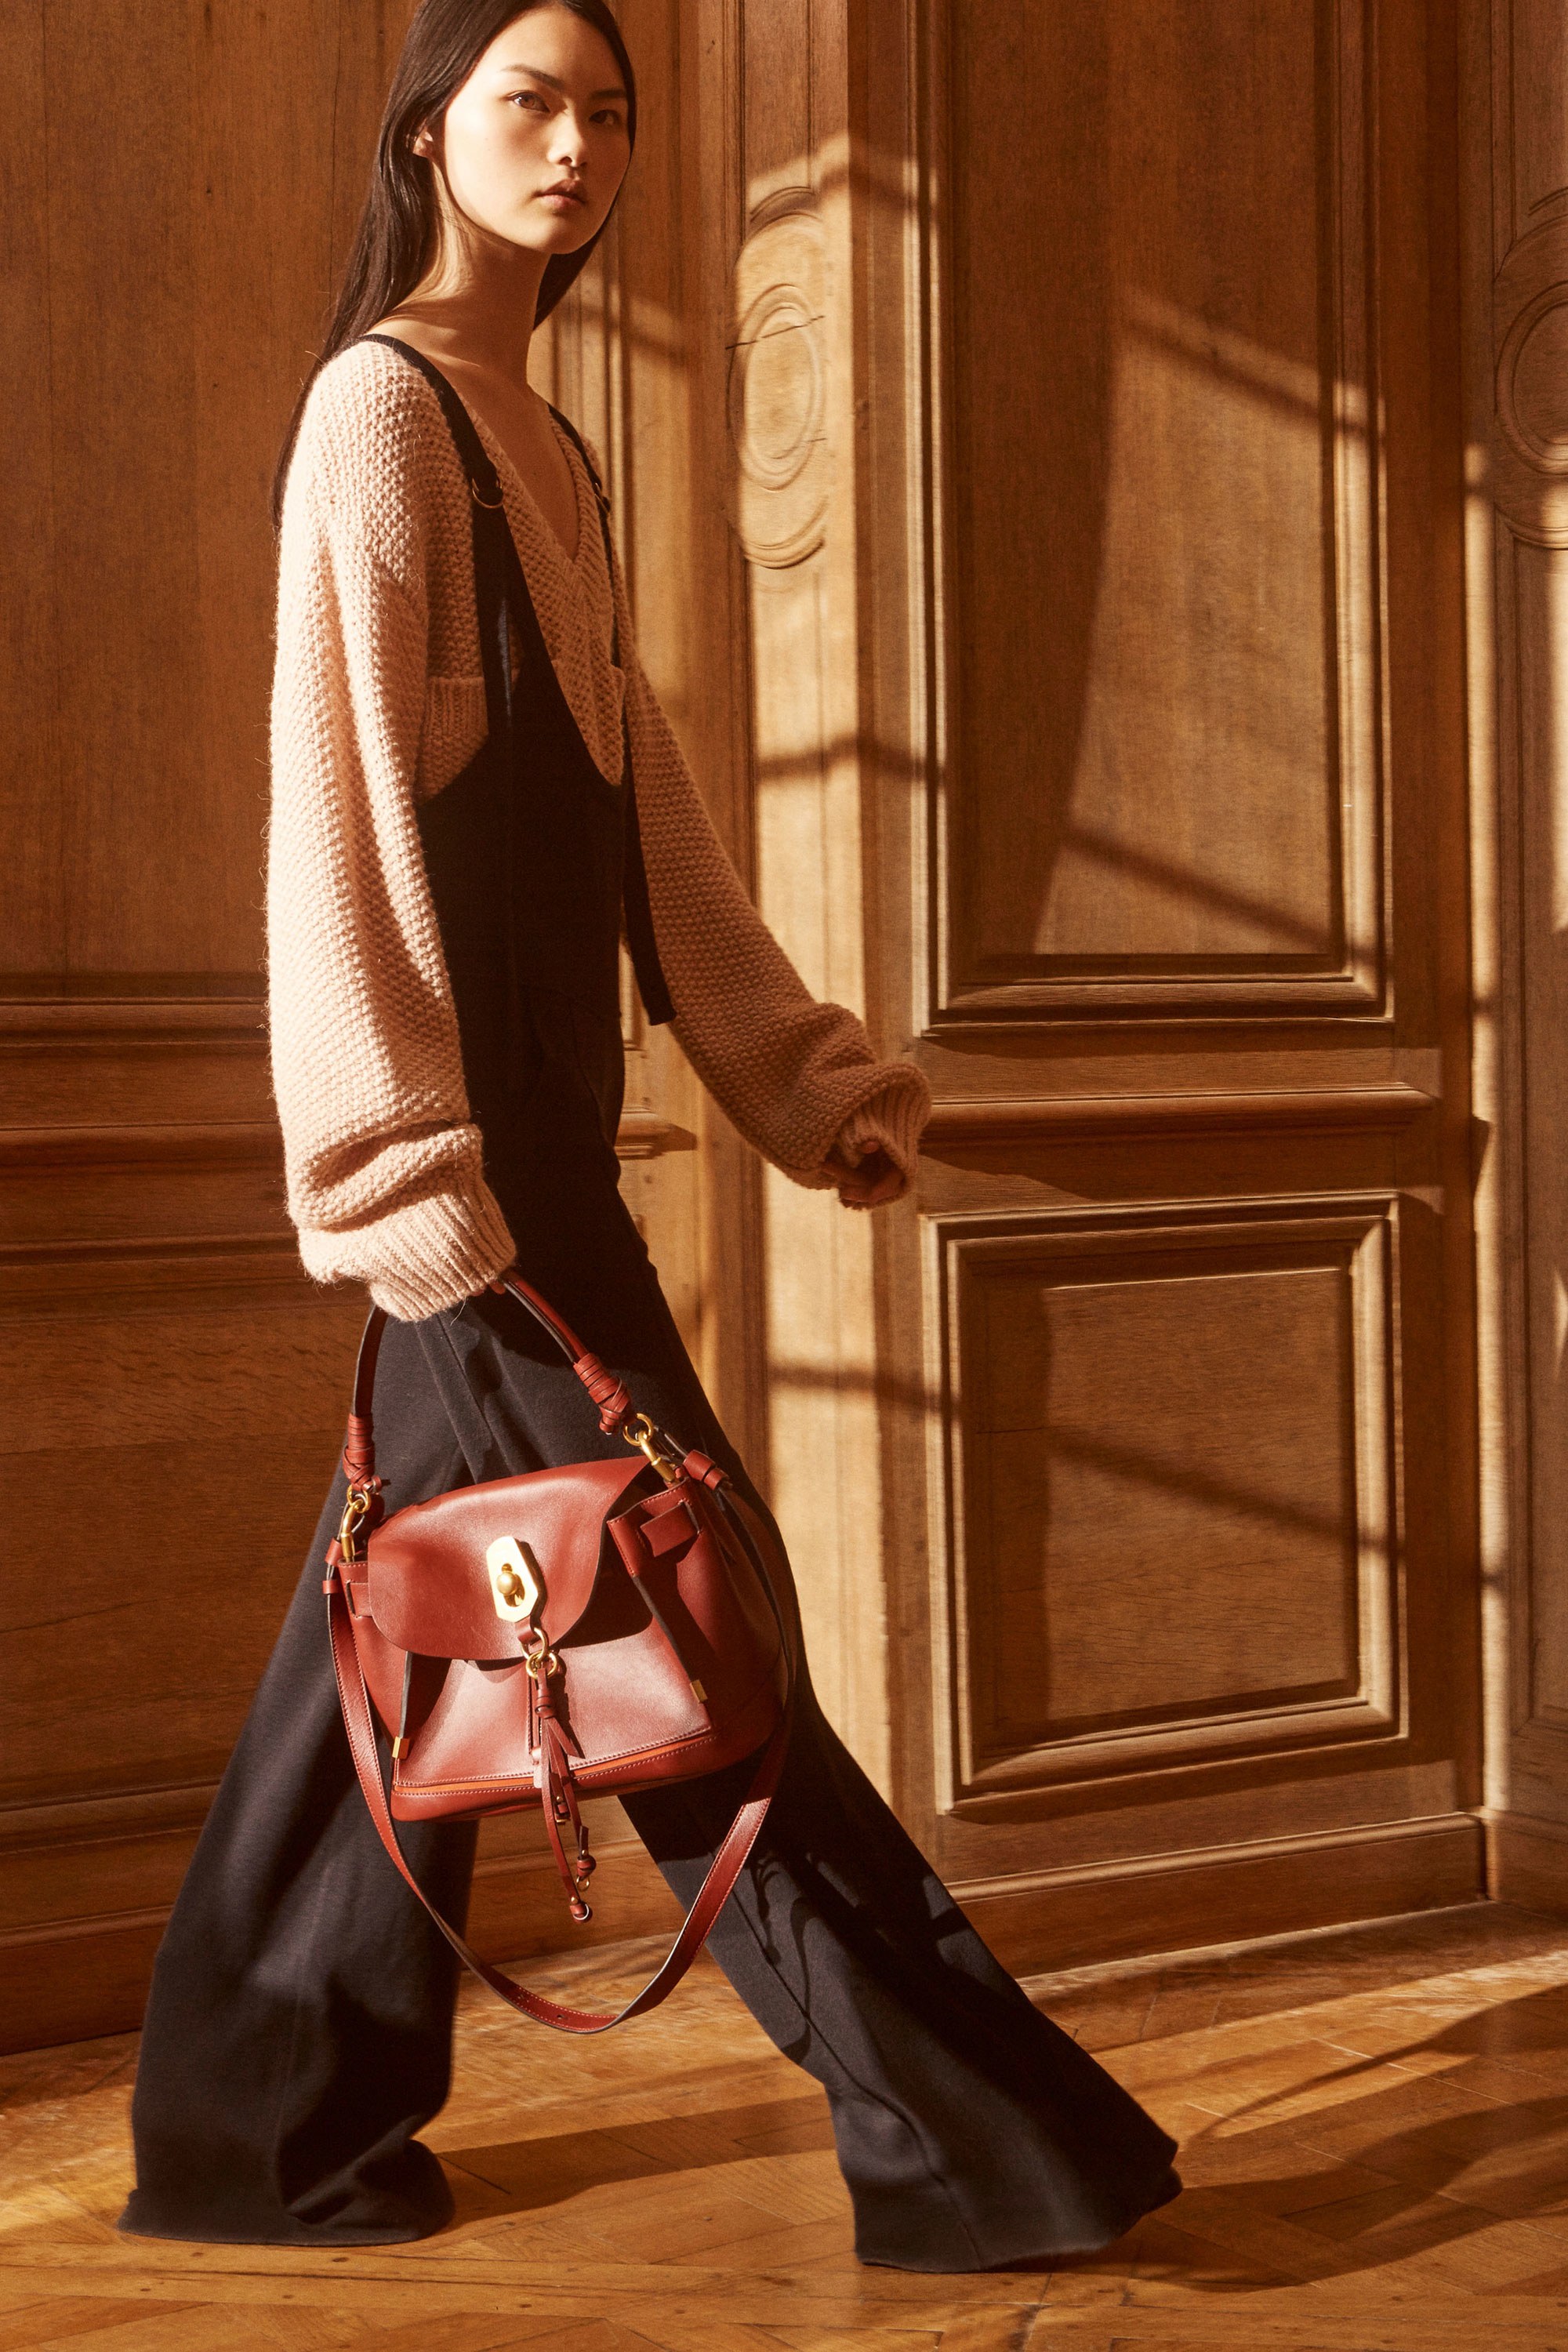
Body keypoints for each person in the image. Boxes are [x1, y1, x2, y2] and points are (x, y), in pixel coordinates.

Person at [119, 0, 1181, 2269]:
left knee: (404, 1633)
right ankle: (977, 2149)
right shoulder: (379, 415)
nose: (579, 147)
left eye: (610, 113)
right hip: (468, 1186)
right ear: (429, 132)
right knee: (691, 1644)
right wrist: (402, 1180)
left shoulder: (547, 439)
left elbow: (641, 810)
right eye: (531, 102)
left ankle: (259, 2122)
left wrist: (802, 1076)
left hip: (551, 1164)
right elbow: (338, 821)